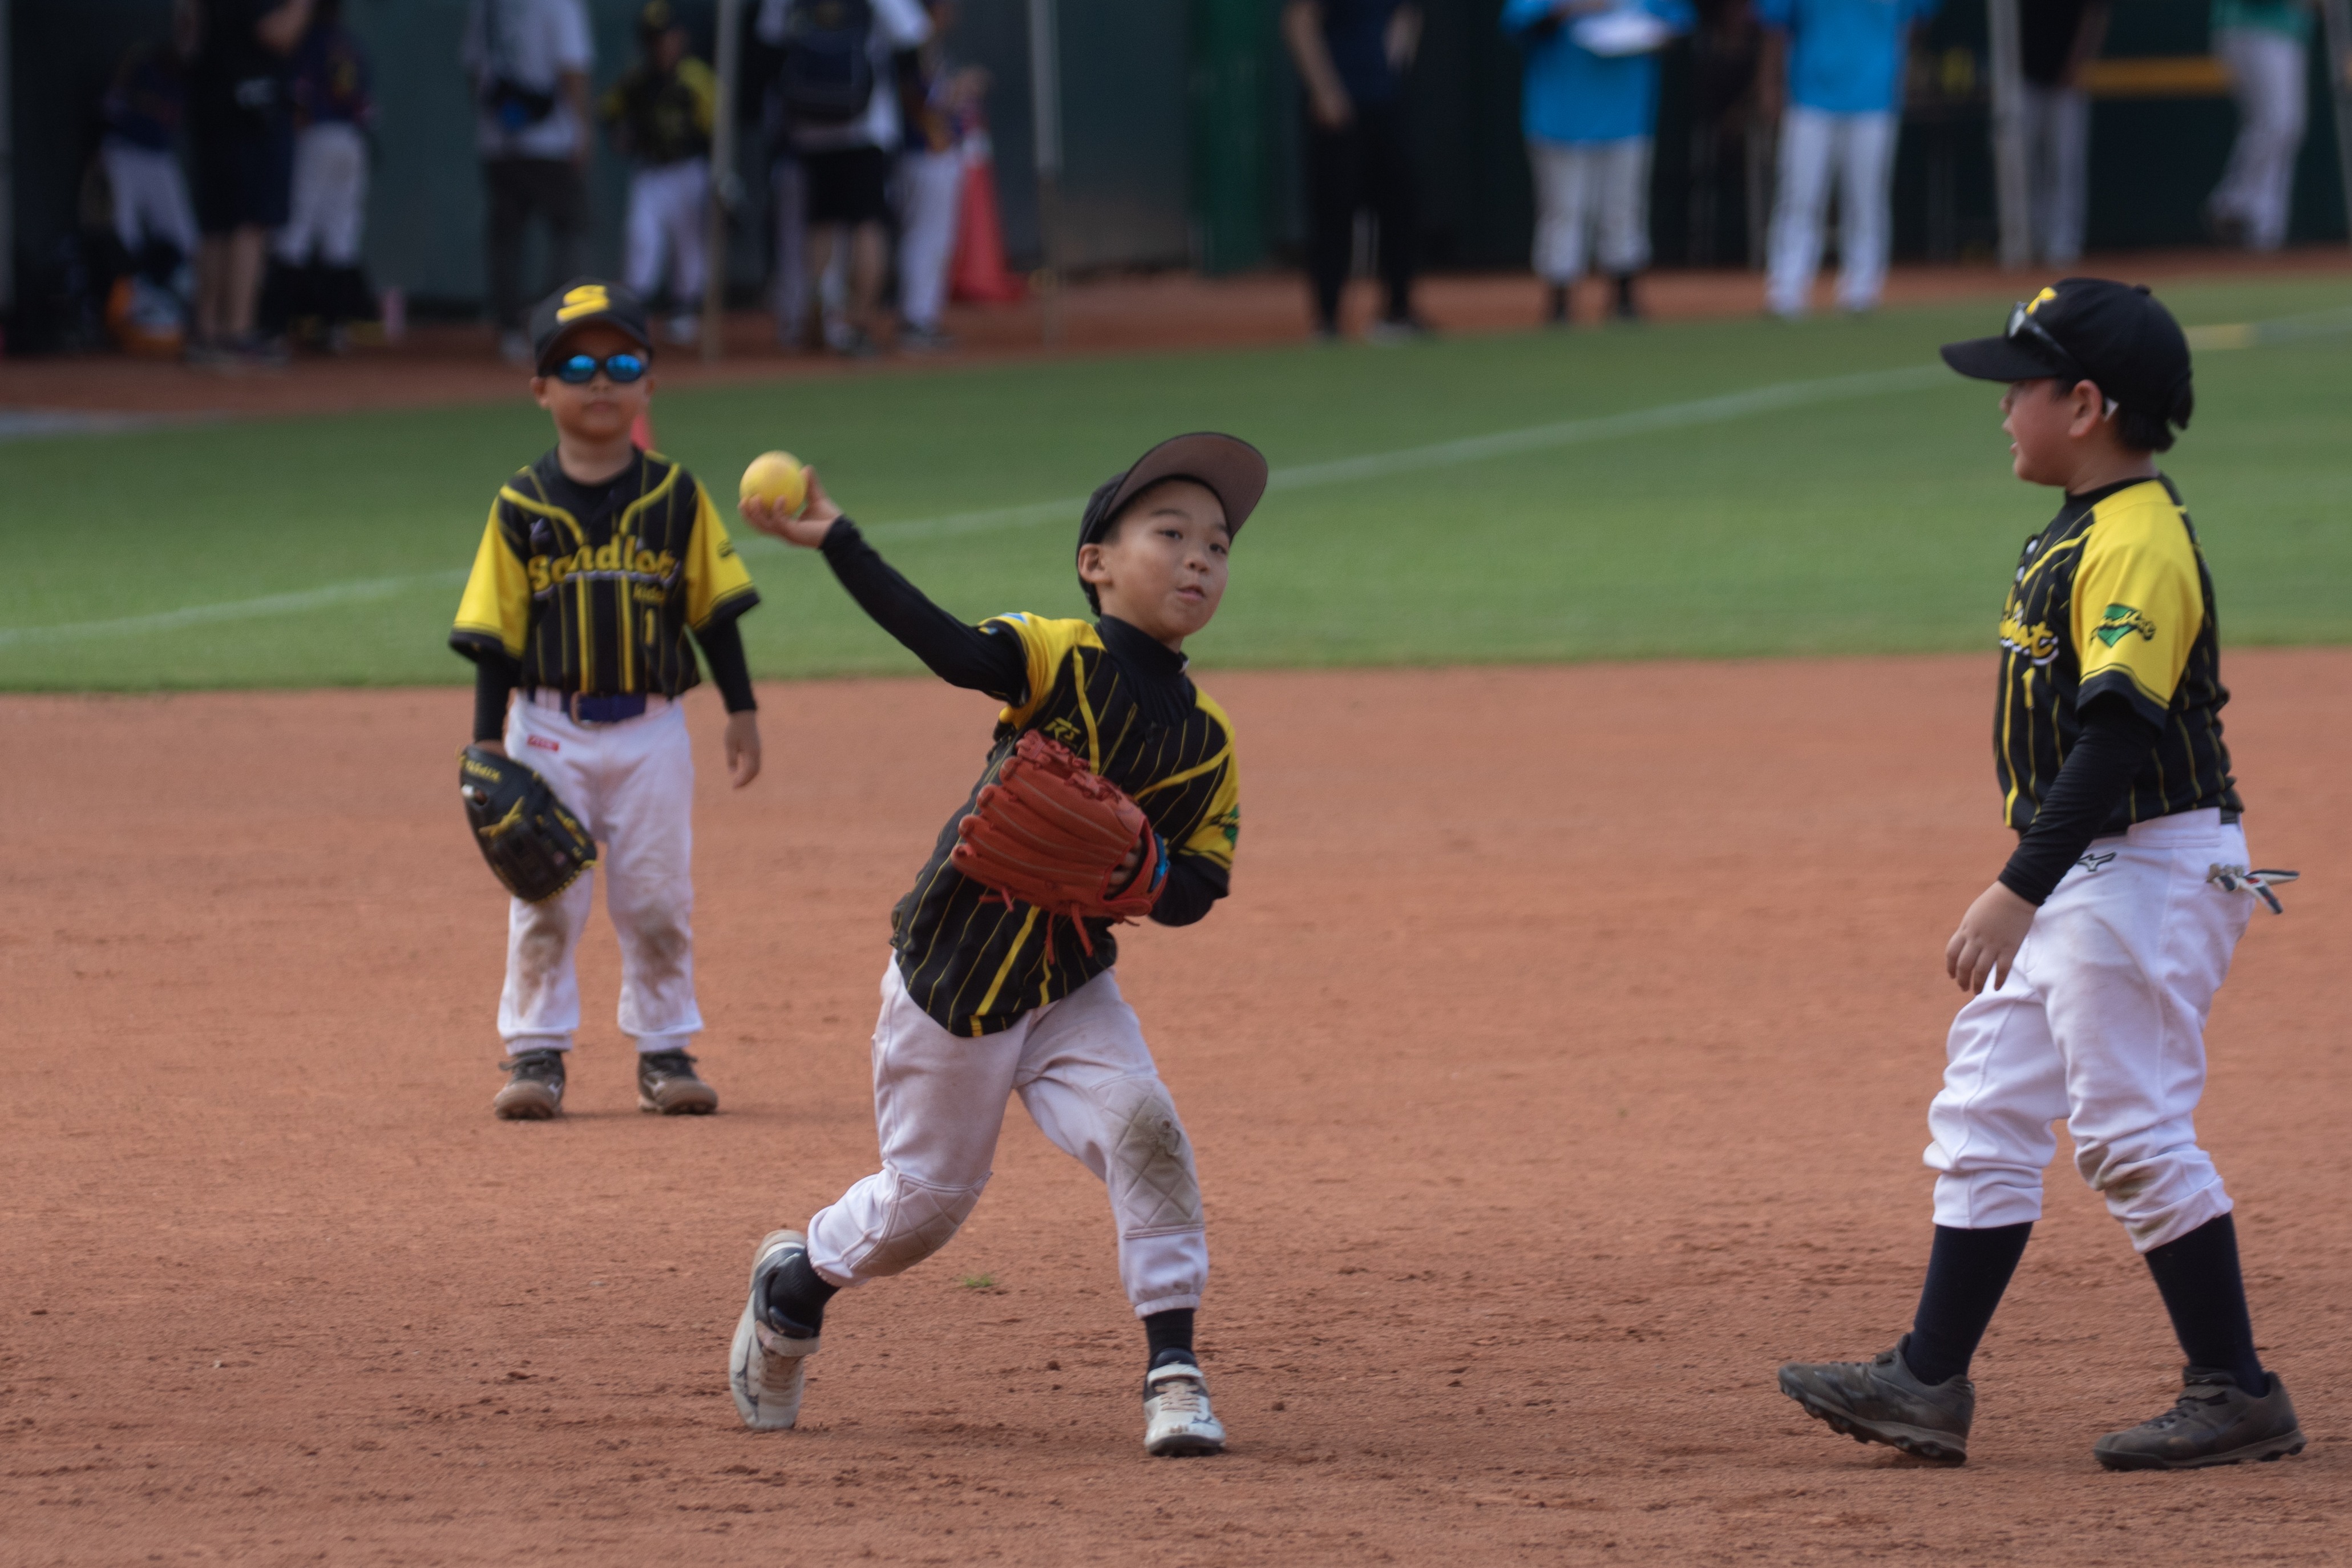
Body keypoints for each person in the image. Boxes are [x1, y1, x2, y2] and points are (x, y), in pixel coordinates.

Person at [1777, 280, 2305, 1471]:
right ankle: (1926, 1379)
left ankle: (2237, 1389)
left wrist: (2016, 885)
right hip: (2092, 866)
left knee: (2129, 1129)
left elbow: (2116, 737)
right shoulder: (2083, 525)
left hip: (2146, 868)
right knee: (1987, 1106)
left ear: (2085, 404)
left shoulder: (2136, 542)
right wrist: (2040, 881)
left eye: (2021, 386)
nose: (2003, 408)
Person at [726, 431, 1258, 1457]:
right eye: (1169, 533)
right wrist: (839, 541)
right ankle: (792, 1289)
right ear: (1094, 562)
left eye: (1218, 545)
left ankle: (1173, 1372)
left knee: (1146, 1131)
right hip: (954, 975)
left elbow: (1198, 888)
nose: (1198, 557)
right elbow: (951, 650)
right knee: (922, 1210)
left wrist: (1145, 869)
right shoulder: (1056, 654)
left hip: (1069, 984)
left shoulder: (1209, 741)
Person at [449, 279, 764, 1122]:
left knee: (658, 897)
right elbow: (495, 633)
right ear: (540, 389)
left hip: (653, 731)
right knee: (546, 896)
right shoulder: (521, 505)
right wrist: (487, 743)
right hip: (548, 728)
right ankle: (535, 1053)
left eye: (621, 365)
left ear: (648, 385)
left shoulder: (676, 497)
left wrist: (741, 709)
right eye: (576, 367)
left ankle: (665, 1052)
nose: (600, 381)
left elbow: (714, 612)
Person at [1502, 0, 1695, 325]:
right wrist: (1571, 9)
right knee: (1563, 210)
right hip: (1560, 116)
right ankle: (1560, 303)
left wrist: (1649, 34)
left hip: (1627, 113)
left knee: (1623, 207)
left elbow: (1678, 24)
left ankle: (1624, 297)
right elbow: (1519, 24)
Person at [1756, 0, 1937, 318]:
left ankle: (1862, 289)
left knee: (1867, 197)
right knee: (1799, 195)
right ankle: (1786, 287)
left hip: (1874, 94)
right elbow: (1776, 29)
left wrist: (1898, 70)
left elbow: (1914, 21)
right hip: (1810, 94)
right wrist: (1770, 85)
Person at [773, 0, 931, 356]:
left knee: (822, 222)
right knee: (867, 224)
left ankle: (818, 305)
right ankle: (859, 324)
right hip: (865, 124)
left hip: (809, 123)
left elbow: (770, 45)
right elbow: (914, 37)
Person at [1283, 1, 1424, 341]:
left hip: (1384, 104)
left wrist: (1390, 67)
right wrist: (1324, 91)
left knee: (1400, 206)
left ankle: (1398, 313)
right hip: (1336, 109)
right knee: (1333, 212)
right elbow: (1299, 21)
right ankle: (1328, 321)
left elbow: (1408, 15)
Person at [463, 0, 595, 365]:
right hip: (552, 143)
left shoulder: (486, 7)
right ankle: (557, 326)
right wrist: (583, 130)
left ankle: (510, 329)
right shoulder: (560, 5)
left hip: (499, 142)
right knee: (572, 228)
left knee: (507, 239)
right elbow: (573, 70)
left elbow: (474, 75)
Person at [187, 0, 314, 362]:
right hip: (251, 109)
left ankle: (208, 331)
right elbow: (277, 32)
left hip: (215, 101)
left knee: (219, 223)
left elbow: (188, 36)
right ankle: (237, 333)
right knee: (250, 220)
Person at [602, 2, 719, 346]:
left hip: (690, 170)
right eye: (654, 39)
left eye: (667, 38)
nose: (661, 46)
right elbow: (608, 112)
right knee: (641, 238)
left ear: (680, 38)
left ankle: (684, 310)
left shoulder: (697, 78)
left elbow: (720, 130)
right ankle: (634, 314)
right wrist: (620, 134)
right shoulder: (637, 80)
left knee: (690, 244)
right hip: (651, 172)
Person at [264, 0, 377, 353]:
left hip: (317, 136)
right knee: (341, 233)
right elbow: (366, 107)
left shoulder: (308, 41)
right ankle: (335, 326)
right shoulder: (350, 45)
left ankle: (275, 325)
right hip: (352, 141)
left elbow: (299, 99)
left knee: (295, 231)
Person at [895, 0, 985, 353]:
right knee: (926, 238)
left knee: (937, 240)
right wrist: (961, 88)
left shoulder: (927, 46)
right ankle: (915, 320)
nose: (952, 11)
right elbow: (919, 99)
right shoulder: (913, 46)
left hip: (935, 153)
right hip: (923, 153)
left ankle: (923, 317)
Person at [99, 8, 202, 305]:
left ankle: (183, 304)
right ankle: (127, 305)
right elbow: (109, 105)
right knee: (124, 233)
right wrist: (142, 102)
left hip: (159, 157)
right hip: (124, 152)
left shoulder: (195, 73)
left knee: (186, 237)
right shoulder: (141, 61)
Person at [2207, 0, 2315, 250]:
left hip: (2286, 31)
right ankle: (2236, 205)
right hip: (2254, 27)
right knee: (2278, 122)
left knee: (2284, 126)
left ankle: (2265, 228)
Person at [2018, 0, 2107, 265]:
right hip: (2027, 75)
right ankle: (2029, 239)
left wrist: (2078, 62)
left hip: (2068, 77)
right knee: (2022, 162)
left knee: (2066, 163)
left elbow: (2097, 12)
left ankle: (2064, 243)